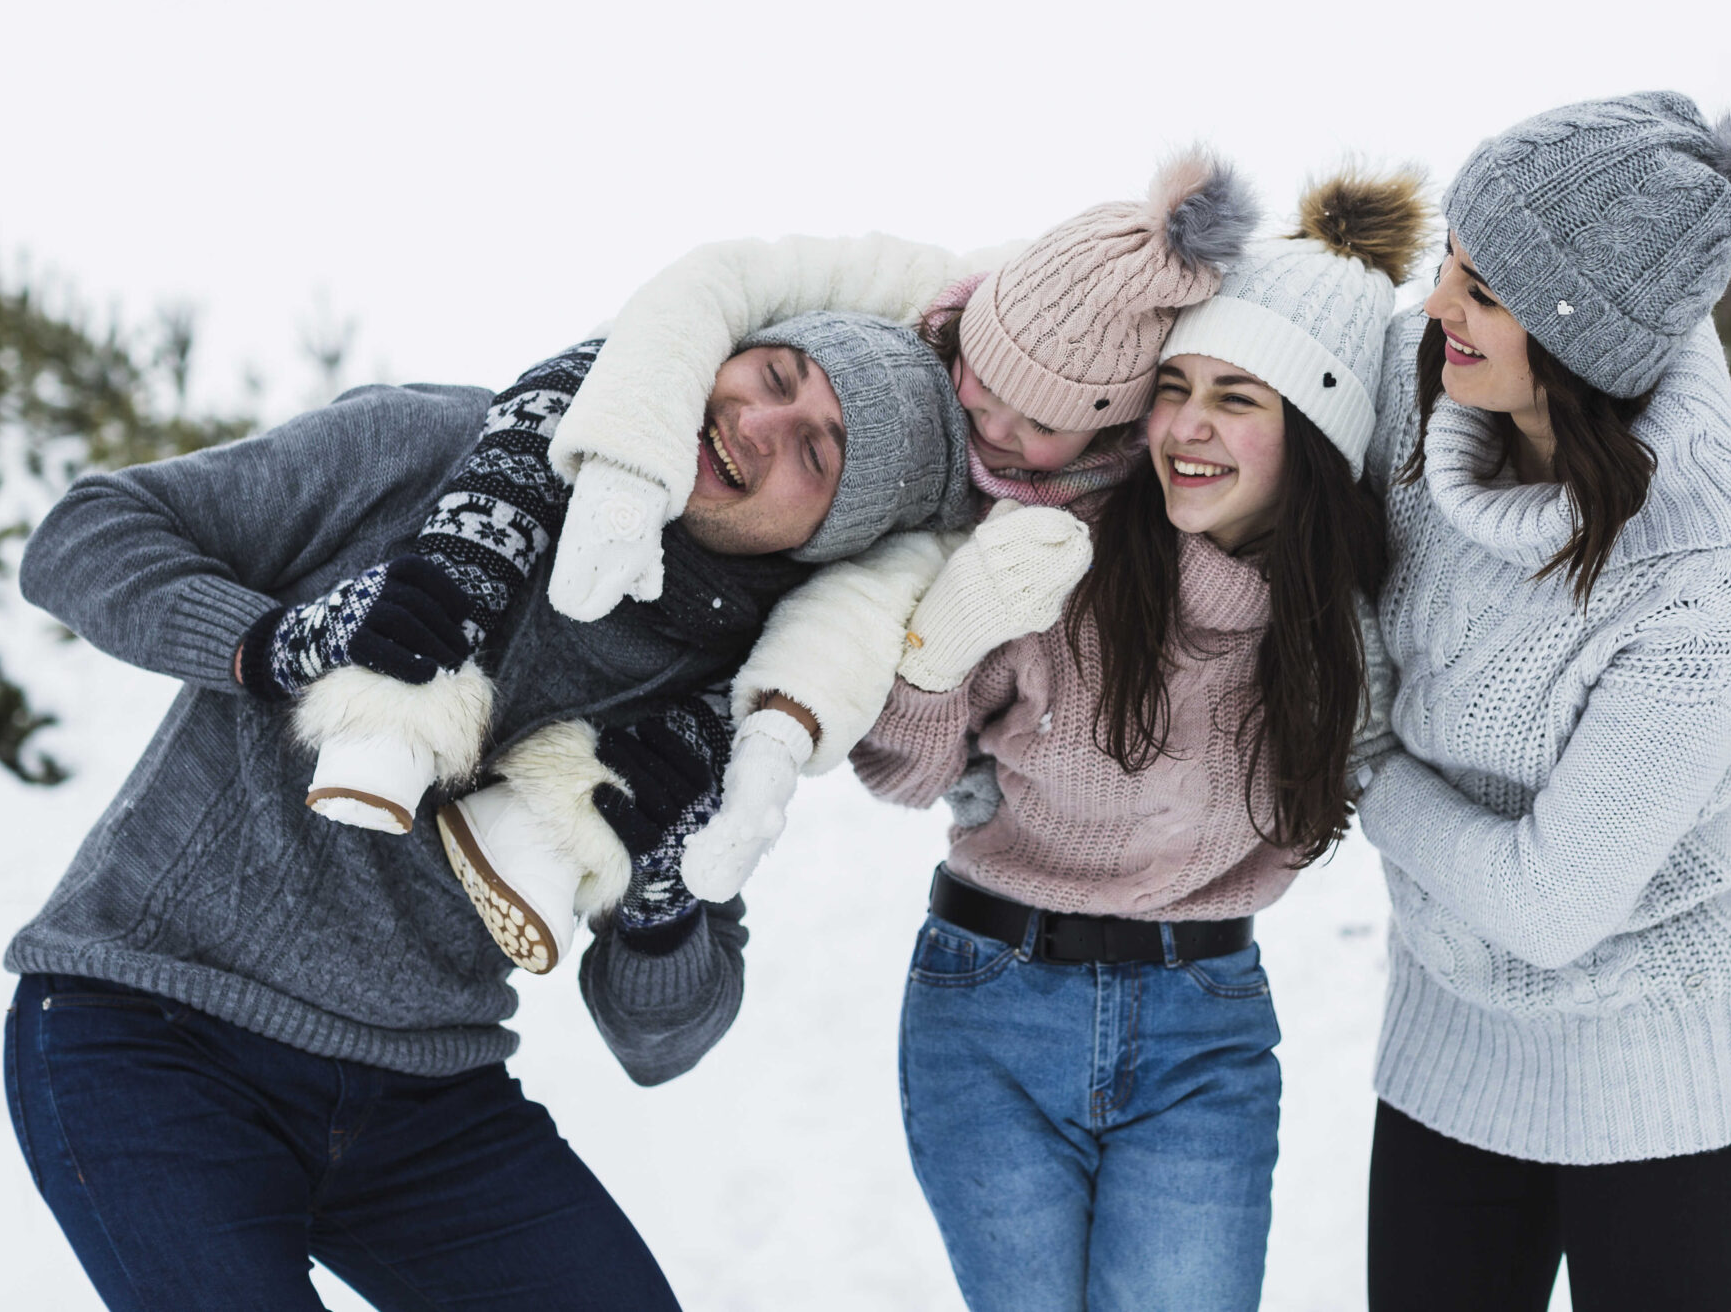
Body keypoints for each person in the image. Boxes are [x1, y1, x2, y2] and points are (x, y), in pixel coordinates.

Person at [0, 313, 965, 1312]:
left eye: (818, 452)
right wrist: (279, 645)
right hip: (156, 1030)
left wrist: (662, 886)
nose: (761, 423)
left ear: (835, 534)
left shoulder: (742, 700)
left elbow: (660, 1039)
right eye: (774, 374)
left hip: (423, 1103)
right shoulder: (444, 451)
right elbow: (84, 536)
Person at [423, 154, 1258, 961]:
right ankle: (420, 672)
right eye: (985, 384)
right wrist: (631, 462)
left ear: (1106, 430)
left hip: (793, 558)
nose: (994, 431)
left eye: (1039, 426)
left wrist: (785, 737)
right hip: (644, 420)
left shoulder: (1049, 506)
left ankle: (557, 834)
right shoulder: (916, 288)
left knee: (708, 726)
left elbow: (872, 600)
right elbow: (720, 281)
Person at [851, 172, 1427, 1312]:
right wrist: (937, 648)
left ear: (1313, 435)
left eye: (1237, 399)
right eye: (1175, 387)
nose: (1187, 427)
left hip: (1199, 1031)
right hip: (989, 1006)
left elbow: (1499, 645)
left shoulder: (1347, 628)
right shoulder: (1057, 552)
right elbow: (898, 770)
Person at [1354, 92, 1731, 1312]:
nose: (1437, 309)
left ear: (1583, 336)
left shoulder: (1709, 538)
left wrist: (1363, 771)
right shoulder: (1429, 388)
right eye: (1446, 265)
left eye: (1484, 290)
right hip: (1447, 1033)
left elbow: (1554, 899)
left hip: (1657, 1060)